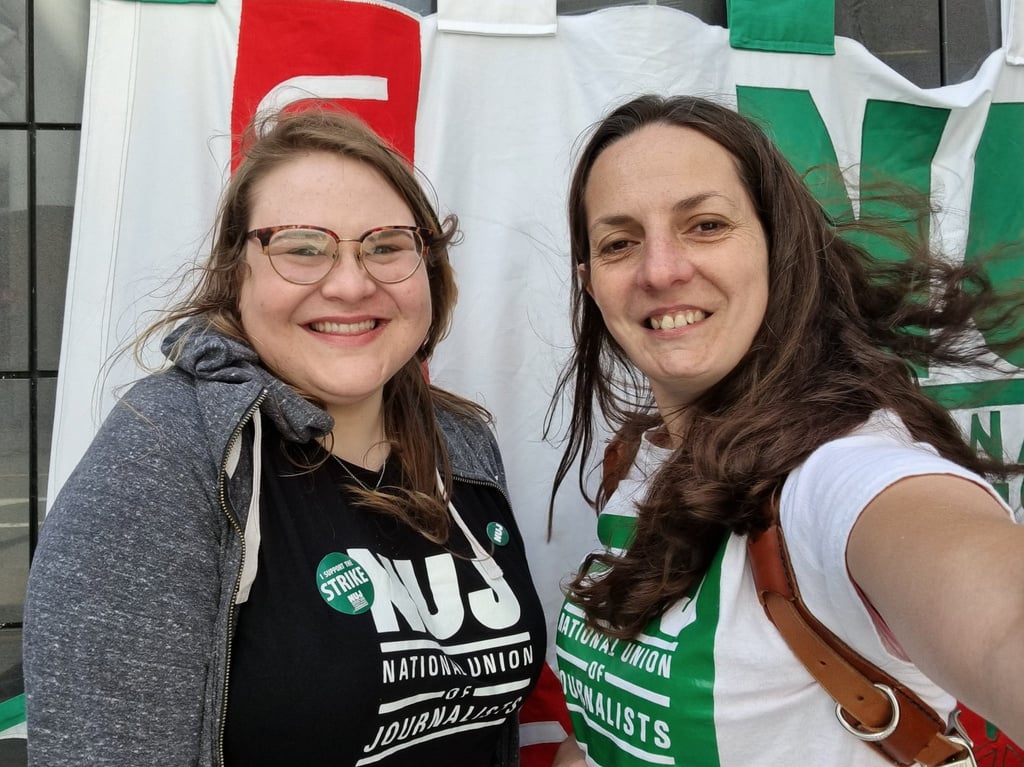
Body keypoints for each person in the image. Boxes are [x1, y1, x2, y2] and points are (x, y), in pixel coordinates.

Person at [23, 107, 546, 766]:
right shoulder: (170, 450)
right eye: (302, 247)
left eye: (386, 245)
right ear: (235, 272)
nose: (353, 283)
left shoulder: (461, 442)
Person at [546, 94, 1024, 766]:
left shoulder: (836, 474)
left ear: (777, 247)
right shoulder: (638, 457)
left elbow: (1002, 622)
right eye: (619, 242)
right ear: (589, 281)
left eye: (706, 225)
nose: (661, 269)